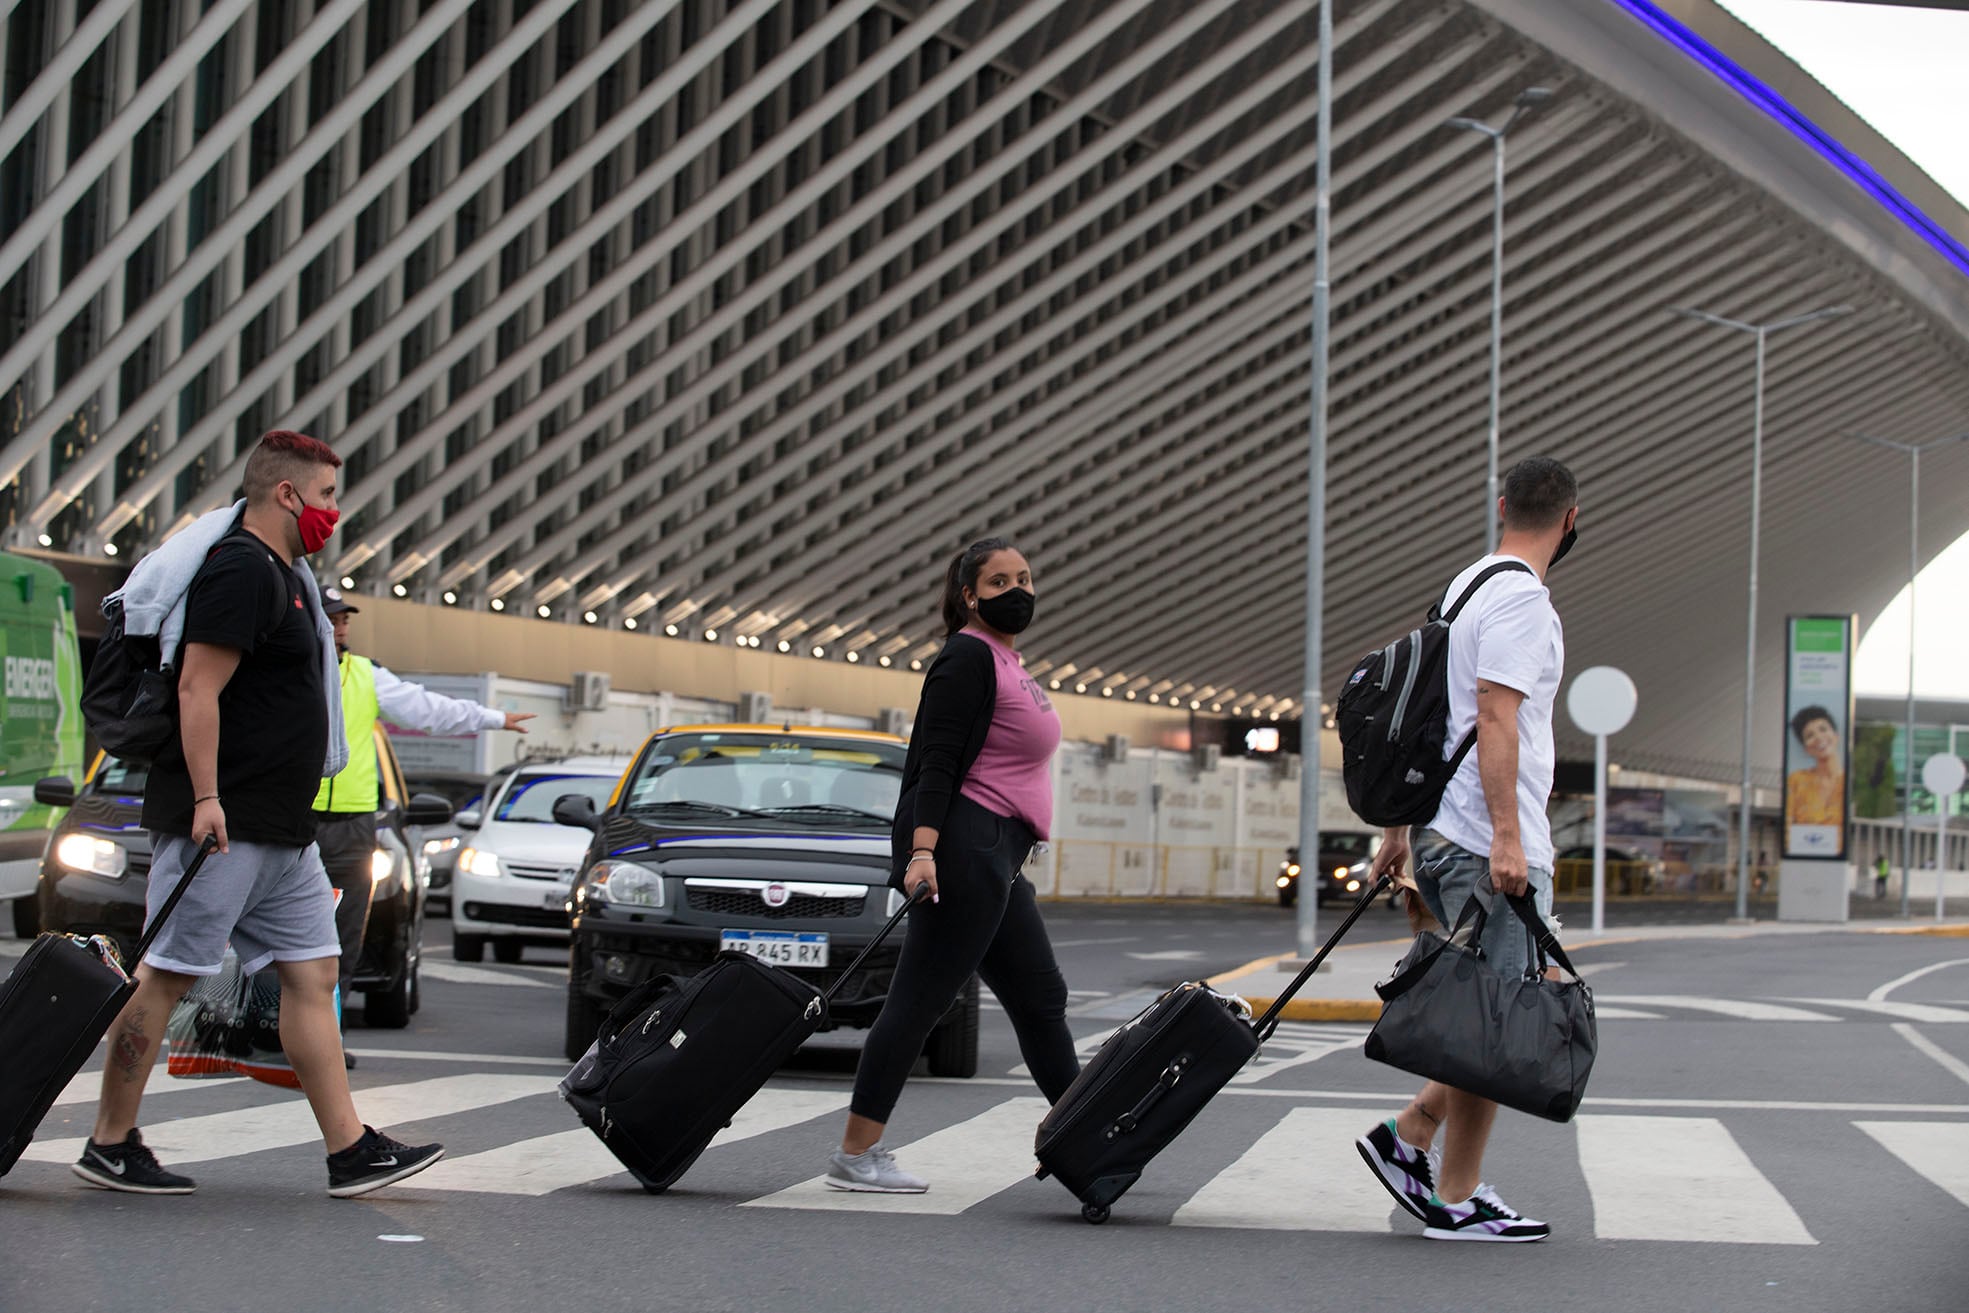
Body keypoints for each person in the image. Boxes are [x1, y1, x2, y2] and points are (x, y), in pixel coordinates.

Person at [72, 431, 443, 1198]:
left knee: (313, 973)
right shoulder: (242, 570)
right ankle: (109, 1140)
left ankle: (349, 1150)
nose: (334, 511)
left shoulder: (293, 575)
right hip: (226, 819)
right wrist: (207, 800)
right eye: (328, 496)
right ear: (286, 493)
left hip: (281, 824)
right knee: (166, 977)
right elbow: (197, 689)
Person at [1359, 455, 1579, 1243]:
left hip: (1446, 830)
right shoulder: (1521, 600)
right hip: (1488, 839)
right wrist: (1509, 841)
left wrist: (1396, 830)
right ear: (1570, 518)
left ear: (1500, 506)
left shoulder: (1464, 586)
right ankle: (1452, 1196)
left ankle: (1410, 1139)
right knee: (1492, 1025)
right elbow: (1492, 717)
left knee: (1478, 1013)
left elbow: (1418, 718)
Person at [823, 538, 1081, 1193]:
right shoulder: (966, 656)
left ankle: (1084, 1134)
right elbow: (935, 761)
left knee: (1040, 996)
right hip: (964, 849)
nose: (1016, 589)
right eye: (998, 581)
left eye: (1024, 576)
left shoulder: (1004, 659)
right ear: (969, 594)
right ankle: (857, 1153)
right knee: (919, 999)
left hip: (995, 854)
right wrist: (921, 852)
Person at [314, 586, 533, 1040]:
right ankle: (267, 1029)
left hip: (354, 826)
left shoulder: (364, 675)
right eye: (332, 619)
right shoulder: (290, 670)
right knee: (284, 935)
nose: (341, 628)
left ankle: (326, 1039)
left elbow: (428, 710)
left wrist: (492, 719)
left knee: (344, 939)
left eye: (345, 620)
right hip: (296, 823)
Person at [1784, 706, 1845, 828]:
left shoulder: (1849, 782)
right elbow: (1787, 827)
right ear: (1806, 749)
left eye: (1823, 729)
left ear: (1836, 736)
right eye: (1810, 736)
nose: (1818, 737)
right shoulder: (1796, 780)